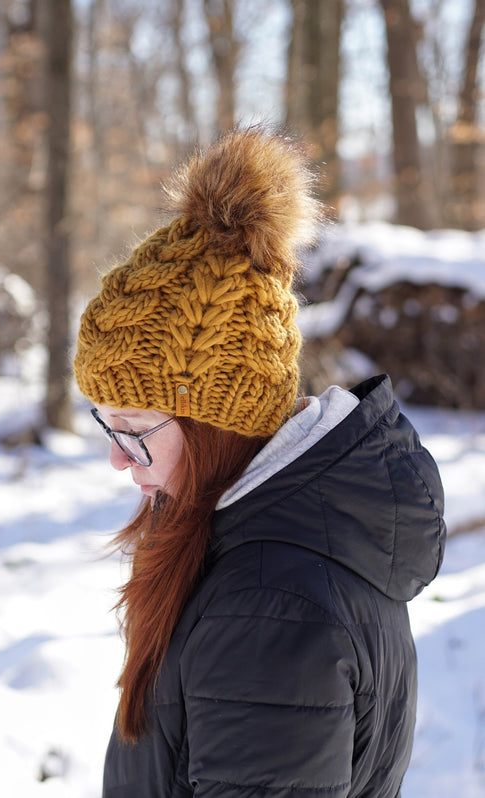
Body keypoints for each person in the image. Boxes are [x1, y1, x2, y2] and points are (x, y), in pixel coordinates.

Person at [74, 127, 446, 798]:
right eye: (107, 422)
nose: (115, 458)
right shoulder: (260, 555)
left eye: (134, 429)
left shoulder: (269, 611)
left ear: (219, 423)